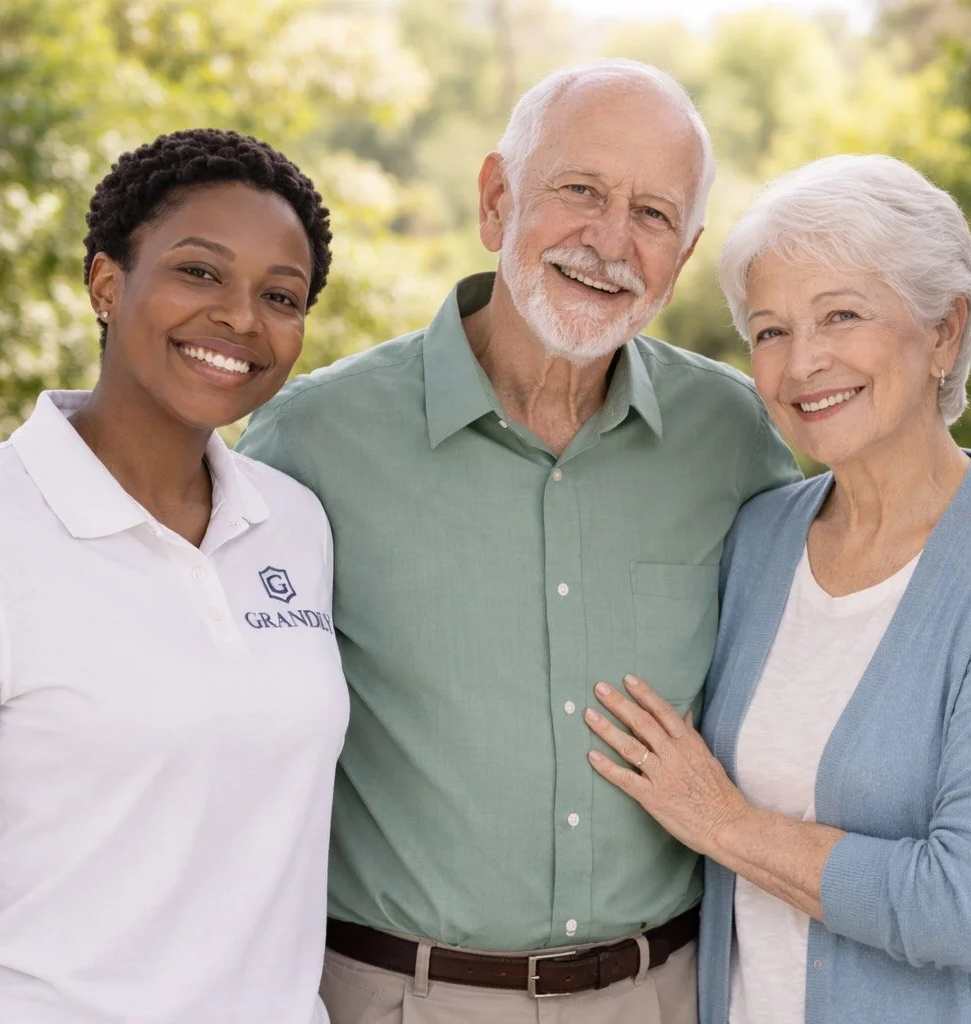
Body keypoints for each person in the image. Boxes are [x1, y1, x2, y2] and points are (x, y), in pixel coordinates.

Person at [236, 59, 799, 1024]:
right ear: (497, 200)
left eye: (654, 215)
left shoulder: (736, 434)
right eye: (580, 190)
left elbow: (871, 549)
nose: (611, 241)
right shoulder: (311, 441)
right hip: (395, 996)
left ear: (687, 248)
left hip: (662, 996)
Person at [581, 154, 971, 1024]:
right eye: (770, 331)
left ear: (945, 331)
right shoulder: (759, 537)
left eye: (842, 315)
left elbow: (970, 903)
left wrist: (721, 823)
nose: (803, 365)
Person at [0, 129, 347, 1024]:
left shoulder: (295, 524)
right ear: (107, 284)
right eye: (199, 272)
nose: (240, 317)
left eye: (281, 295)